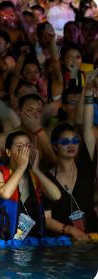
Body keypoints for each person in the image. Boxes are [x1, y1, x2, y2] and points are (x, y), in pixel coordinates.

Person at [43, 84, 98, 239]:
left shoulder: (86, 166)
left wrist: (88, 92)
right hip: (62, 243)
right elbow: (46, 219)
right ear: (54, 146)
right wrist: (70, 230)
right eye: (65, 142)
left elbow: (87, 126)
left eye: (74, 141)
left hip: (92, 238)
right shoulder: (48, 177)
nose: (71, 145)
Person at [0, 131, 60, 240]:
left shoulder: (34, 176)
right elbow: (5, 193)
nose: (25, 150)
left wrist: (36, 169)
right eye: (19, 146)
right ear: (8, 152)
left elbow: (56, 195)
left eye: (28, 146)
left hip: (34, 244)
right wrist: (21, 167)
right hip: (6, 245)